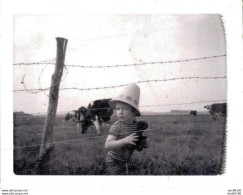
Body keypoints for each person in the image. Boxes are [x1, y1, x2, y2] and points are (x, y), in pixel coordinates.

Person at [105, 84, 149, 175]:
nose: (120, 112)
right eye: (117, 109)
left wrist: (145, 142)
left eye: (124, 109)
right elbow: (108, 145)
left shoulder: (136, 126)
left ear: (134, 113)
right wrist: (124, 141)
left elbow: (142, 142)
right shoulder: (117, 126)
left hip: (126, 161)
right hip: (113, 161)